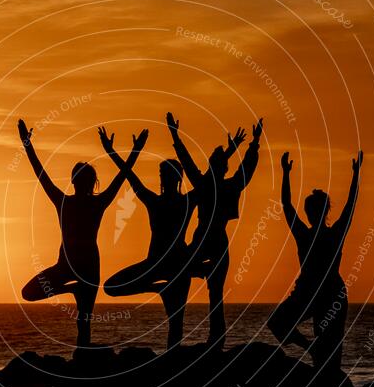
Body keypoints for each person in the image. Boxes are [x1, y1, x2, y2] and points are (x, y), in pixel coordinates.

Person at [18, 119, 145, 347]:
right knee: (79, 319)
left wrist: (28, 145)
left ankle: (82, 361)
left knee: (83, 321)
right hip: (72, 266)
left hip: (82, 267)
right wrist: (134, 151)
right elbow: (122, 175)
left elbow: (41, 174)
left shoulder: (71, 201)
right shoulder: (74, 202)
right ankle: (73, 291)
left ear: (77, 181)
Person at [166, 112, 262, 348]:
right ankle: (213, 338)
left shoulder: (207, 184)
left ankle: (208, 338)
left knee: (206, 290)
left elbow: (190, 164)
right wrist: (253, 144)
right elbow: (245, 169)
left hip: (208, 241)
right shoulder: (228, 185)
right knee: (213, 294)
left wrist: (176, 137)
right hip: (212, 240)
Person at [268, 150, 364, 372]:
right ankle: (311, 348)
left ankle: (318, 363)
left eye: (314, 210)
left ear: (321, 211)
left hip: (328, 295)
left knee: (329, 356)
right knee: (279, 323)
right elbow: (287, 206)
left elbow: (350, 205)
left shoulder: (324, 234)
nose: (312, 213)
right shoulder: (312, 234)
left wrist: (356, 175)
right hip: (312, 293)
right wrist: (285, 173)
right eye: (311, 210)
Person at [99, 131, 196, 348]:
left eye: (168, 175)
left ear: (177, 179)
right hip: (154, 263)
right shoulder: (156, 200)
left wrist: (176, 139)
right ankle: (158, 289)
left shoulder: (186, 201)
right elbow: (129, 175)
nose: (164, 179)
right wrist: (112, 151)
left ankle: (172, 364)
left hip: (178, 265)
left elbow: (204, 180)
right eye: (162, 175)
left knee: (176, 322)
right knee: (111, 287)